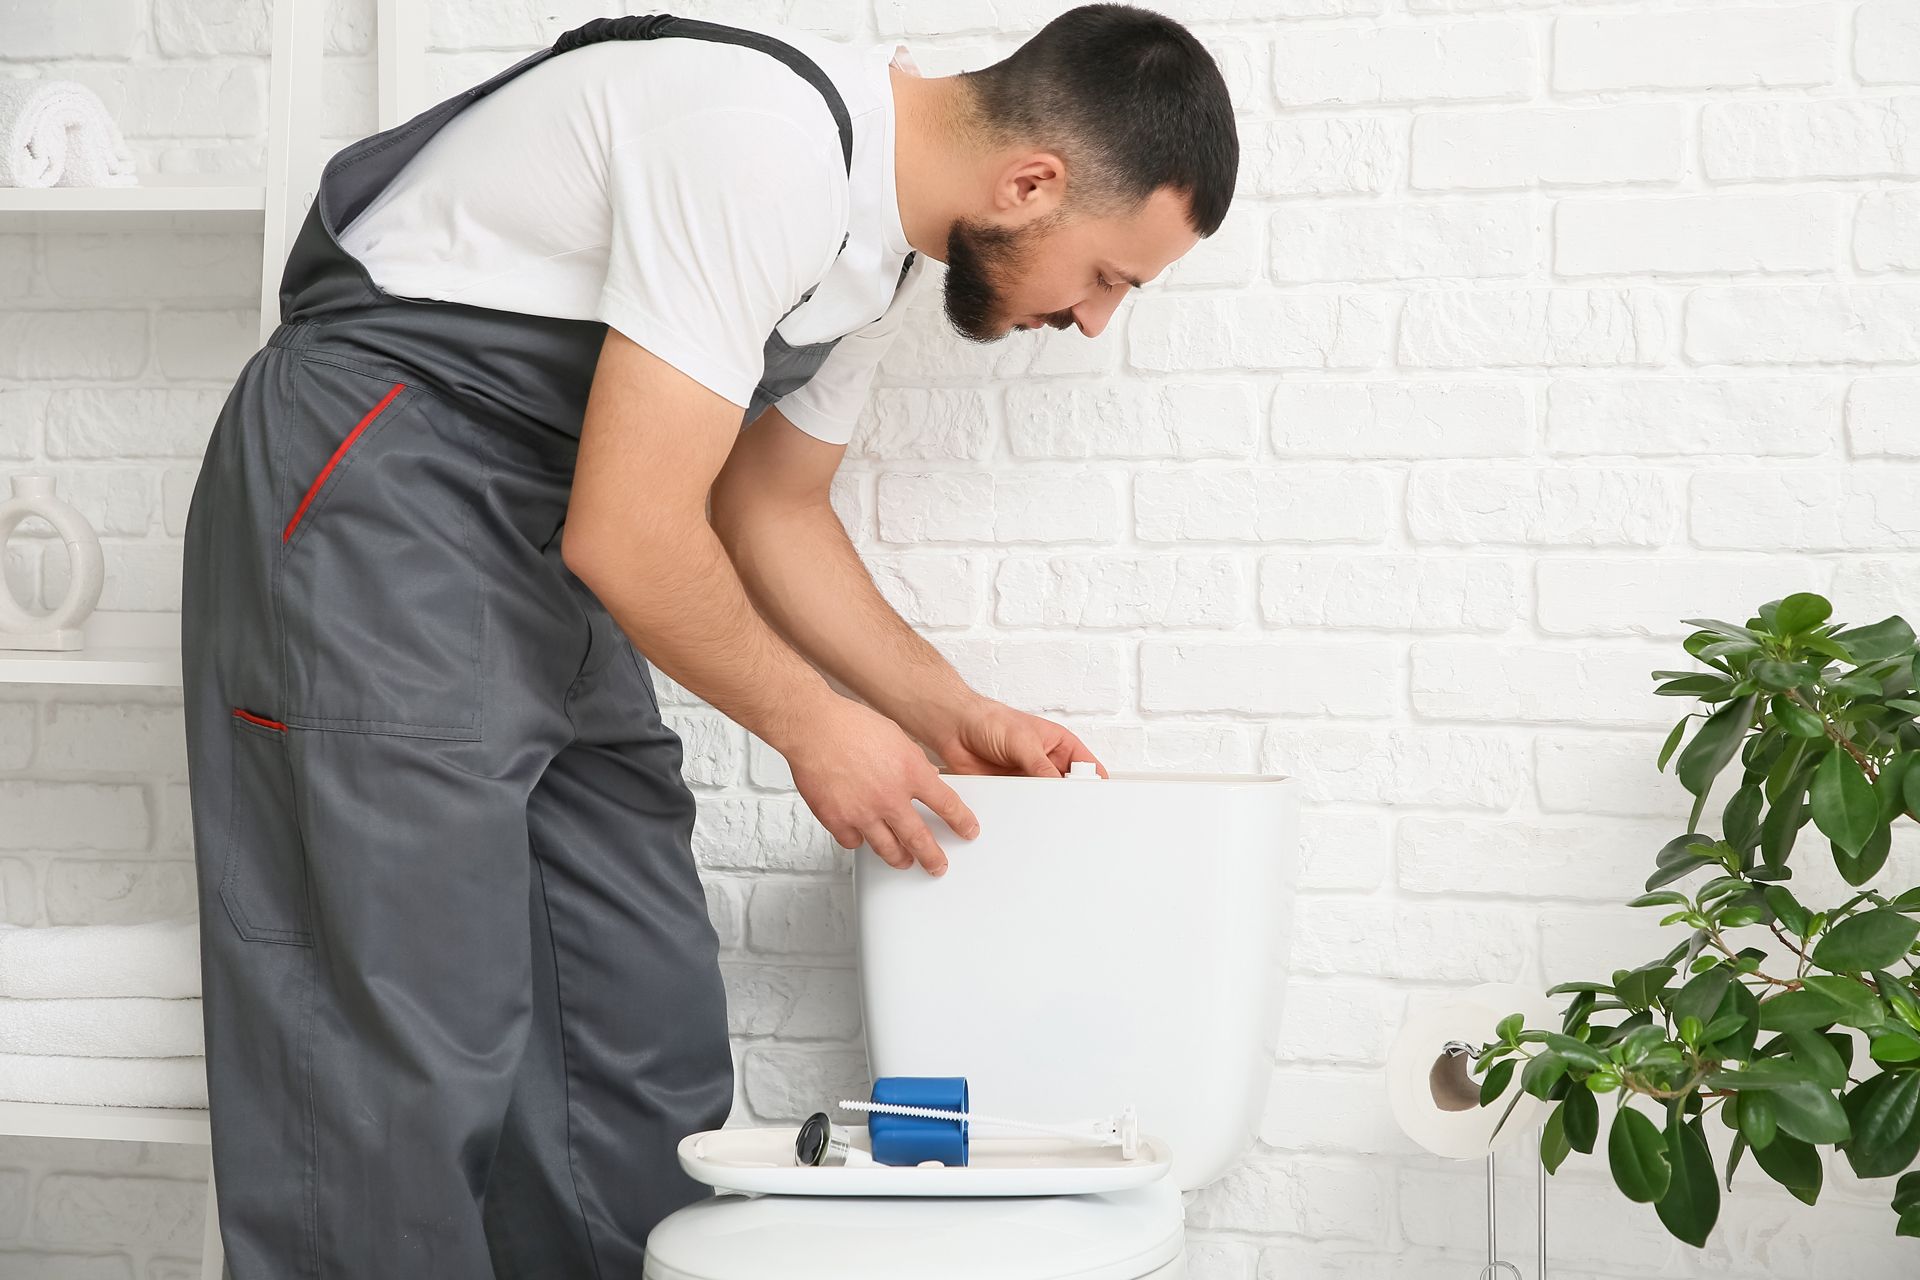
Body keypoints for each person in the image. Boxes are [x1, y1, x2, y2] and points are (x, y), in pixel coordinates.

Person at [179, 6, 1238, 1276]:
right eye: (1112, 276)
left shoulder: (879, 257)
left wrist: (947, 713)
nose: (1095, 318)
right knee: (400, 1042)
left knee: (631, 1026)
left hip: (543, 533)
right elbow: (630, 537)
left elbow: (766, 507)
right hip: (378, 497)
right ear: (1032, 181)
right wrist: (815, 726)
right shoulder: (762, 146)